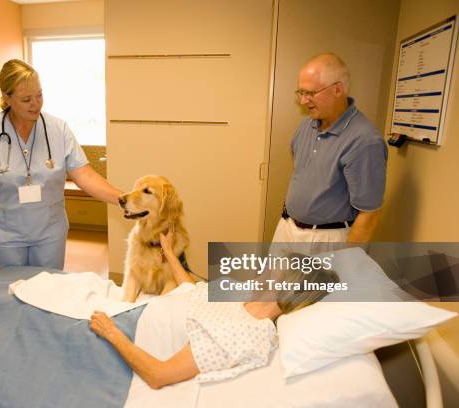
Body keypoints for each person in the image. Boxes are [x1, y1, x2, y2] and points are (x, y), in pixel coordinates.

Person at [90, 230, 339, 389]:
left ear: (283, 285)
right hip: (136, 312)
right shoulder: (244, 298)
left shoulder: (246, 333)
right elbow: (194, 292)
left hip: (129, 332)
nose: (265, 266)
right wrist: (168, 251)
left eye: (274, 267)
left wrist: (111, 332)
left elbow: (159, 374)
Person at [0, 59, 122, 273]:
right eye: (26, 99)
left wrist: (124, 200)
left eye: (40, 95)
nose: (36, 104)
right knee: (8, 294)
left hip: (49, 235)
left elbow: (85, 175)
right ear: (7, 98)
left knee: (48, 293)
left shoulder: (58, 130)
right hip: (4, 236)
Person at [273, 53, 388, 245]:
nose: (303, 101)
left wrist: (346, 262)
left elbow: (369, 215)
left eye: (310, 93)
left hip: (325, 240)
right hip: (287, 229)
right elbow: (301, 170)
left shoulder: (364, 141)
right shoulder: (305, 126)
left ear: (337, 90)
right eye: (301, 93)